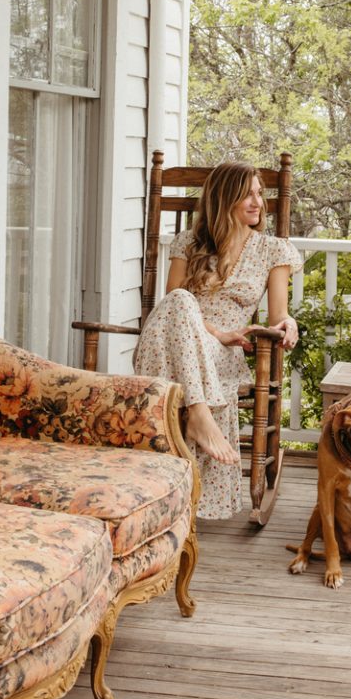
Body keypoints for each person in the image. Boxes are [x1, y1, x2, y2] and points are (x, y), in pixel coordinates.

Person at [134, 161, 302, 521]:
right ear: (224, 200)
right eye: (248, 194)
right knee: (180, 300)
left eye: (260, 193)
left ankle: (192, 420)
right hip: (168, 346)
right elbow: (169, 310)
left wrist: (289, 324)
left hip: (221, 357)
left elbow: (278, 315)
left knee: (181, 303)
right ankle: (199, 413)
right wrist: (216, 332)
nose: (258, 202)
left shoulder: (274, 250)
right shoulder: (188, 244)